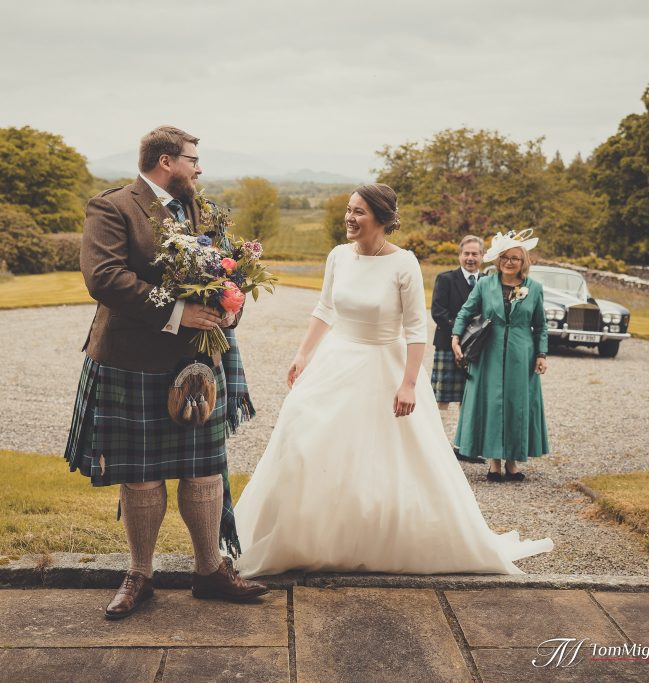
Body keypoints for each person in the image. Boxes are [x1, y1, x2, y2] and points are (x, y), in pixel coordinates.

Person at [233, 184, 553, 577]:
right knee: (304, 438)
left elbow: (417, 329)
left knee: (385, 458)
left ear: (382, 219)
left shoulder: (404, 263)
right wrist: (303, 354)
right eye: (349, 210)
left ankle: (378, 536)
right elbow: (325, 307)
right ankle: (306, 535)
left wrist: (407, 383)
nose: (349, 218)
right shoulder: (337, 256)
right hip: (336, 361)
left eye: (359, 212)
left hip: (386, 365)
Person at [63, 125, 267, 621]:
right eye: (192, 159)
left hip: (197, 360)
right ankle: (140, 574)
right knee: (141, 477)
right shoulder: (113, 208)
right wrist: (178, 313)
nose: (199, 167)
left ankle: (210, 570)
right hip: (132, 360)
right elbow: (105, 277)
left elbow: (226, 272)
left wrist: (228, 306)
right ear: (164, 161)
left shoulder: (202, 209)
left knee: (203, 469)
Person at [451, 230, 549, 483]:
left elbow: (541, 325)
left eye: (515, 258)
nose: (509, 262)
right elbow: (465, 312)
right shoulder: (485, 284)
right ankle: (494, 463)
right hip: (488, 353)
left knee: (516, 404)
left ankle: (513, 463)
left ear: (523, 262)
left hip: (521, 354)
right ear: (498, 259)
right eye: (505, 257)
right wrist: (455, 337)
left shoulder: (534, 288)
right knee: (492, 403)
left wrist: (541, 354)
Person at [431, 235, 486, 464]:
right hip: (447, 344)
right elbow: (438, 311)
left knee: (470, 399)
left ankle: (464, 447)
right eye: (467, 253)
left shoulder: (488, 281)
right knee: (441, 399)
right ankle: (435, 445)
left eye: (475, 254)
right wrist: (462, 332)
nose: (470, 258)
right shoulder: (446, 279)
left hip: (478, 349)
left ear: (482, 257)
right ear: (459, 255)